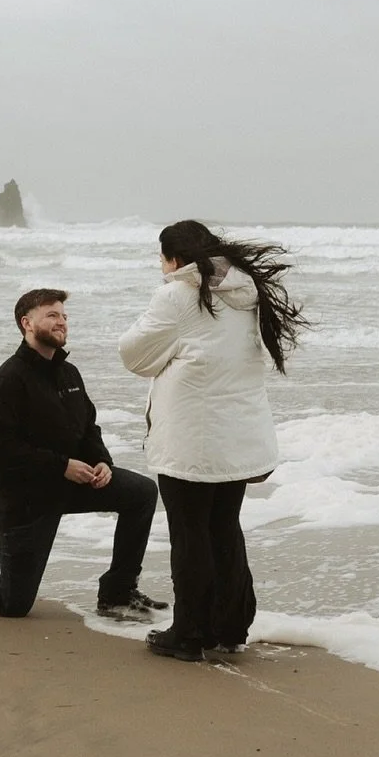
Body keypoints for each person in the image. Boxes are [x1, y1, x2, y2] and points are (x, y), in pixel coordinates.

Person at [0, 288, 167, 619]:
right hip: (24, 500)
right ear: (26, 323)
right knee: (13, 604)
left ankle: (118, 593)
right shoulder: (7, 380)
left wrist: (102, 461)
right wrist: (61, 466)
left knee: (142, 493)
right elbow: (0, 450)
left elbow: (88, 427)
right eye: (52, 315)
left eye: (64, 316)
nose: (62, 322)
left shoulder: (68, 373)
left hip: (70, 484)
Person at [118, 220, 308, 661]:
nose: (161, 266)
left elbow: (134, 355)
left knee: (190, 535)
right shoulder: (245, 291)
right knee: (223, 529)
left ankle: (189, 633)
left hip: (191, 442)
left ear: (174, 259)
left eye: (162, 258)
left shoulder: (178, 295)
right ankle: (230, 627)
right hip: (237, 439)